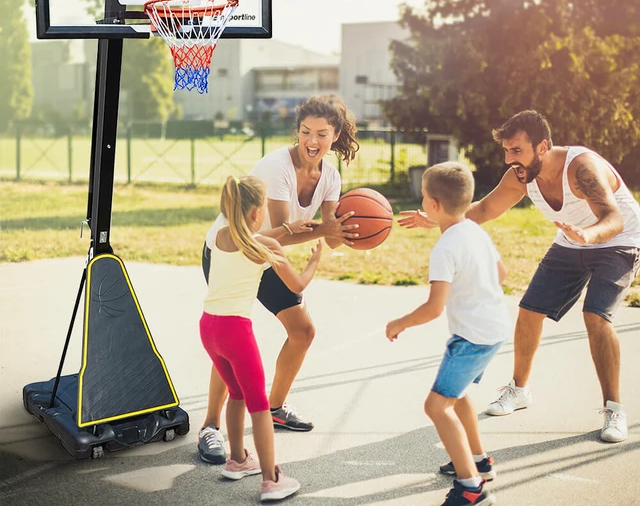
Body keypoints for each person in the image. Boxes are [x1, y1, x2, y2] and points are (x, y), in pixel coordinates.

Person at [399, 110, 640, 443]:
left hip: (618, 240)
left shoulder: (581, 168)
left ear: (542, 147)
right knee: (529, 310)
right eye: (507, 151)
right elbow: (483, 210)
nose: (510, 159)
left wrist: (589, 236)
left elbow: (613, 217)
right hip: (572, 240)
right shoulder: (520, 176)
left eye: (517, 151)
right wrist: (438, 217)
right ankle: (519, 390)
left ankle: (614, 408)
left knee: (595, 315)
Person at [198, 94, 360, 464]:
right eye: (305, 132)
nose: (312, 140)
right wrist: (325, 229)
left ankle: (275, 407)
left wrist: (354, 230)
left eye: (321, 133)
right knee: (229, 339)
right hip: (231, 251)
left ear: (334, 135)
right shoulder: (276, 168)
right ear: (298, 132)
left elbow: (330, 235)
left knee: (303, 332)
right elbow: (278, 233)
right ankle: (209, 426)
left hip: (268, 253)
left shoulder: (330, 176)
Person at [388, 162, 510, 506]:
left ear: (432, 205)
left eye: (424, 196)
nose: (423, 201)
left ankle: (471, 487)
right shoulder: (474, 230)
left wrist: (399, 323)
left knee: (436, 407)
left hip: (471, 338)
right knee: (456, 396)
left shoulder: (444, 249)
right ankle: (480, 462)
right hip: (495, 328)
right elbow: (501, 273)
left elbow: (433, 308)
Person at [201, 175, 322, 501]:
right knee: (258, 405)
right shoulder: (265, 245)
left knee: (237, 394)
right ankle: (272, 480)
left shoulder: (221, 237)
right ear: (257, 213)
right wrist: (313, 262)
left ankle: (238, 459)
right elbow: (296, 286)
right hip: (235, 332)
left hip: (208, 328)